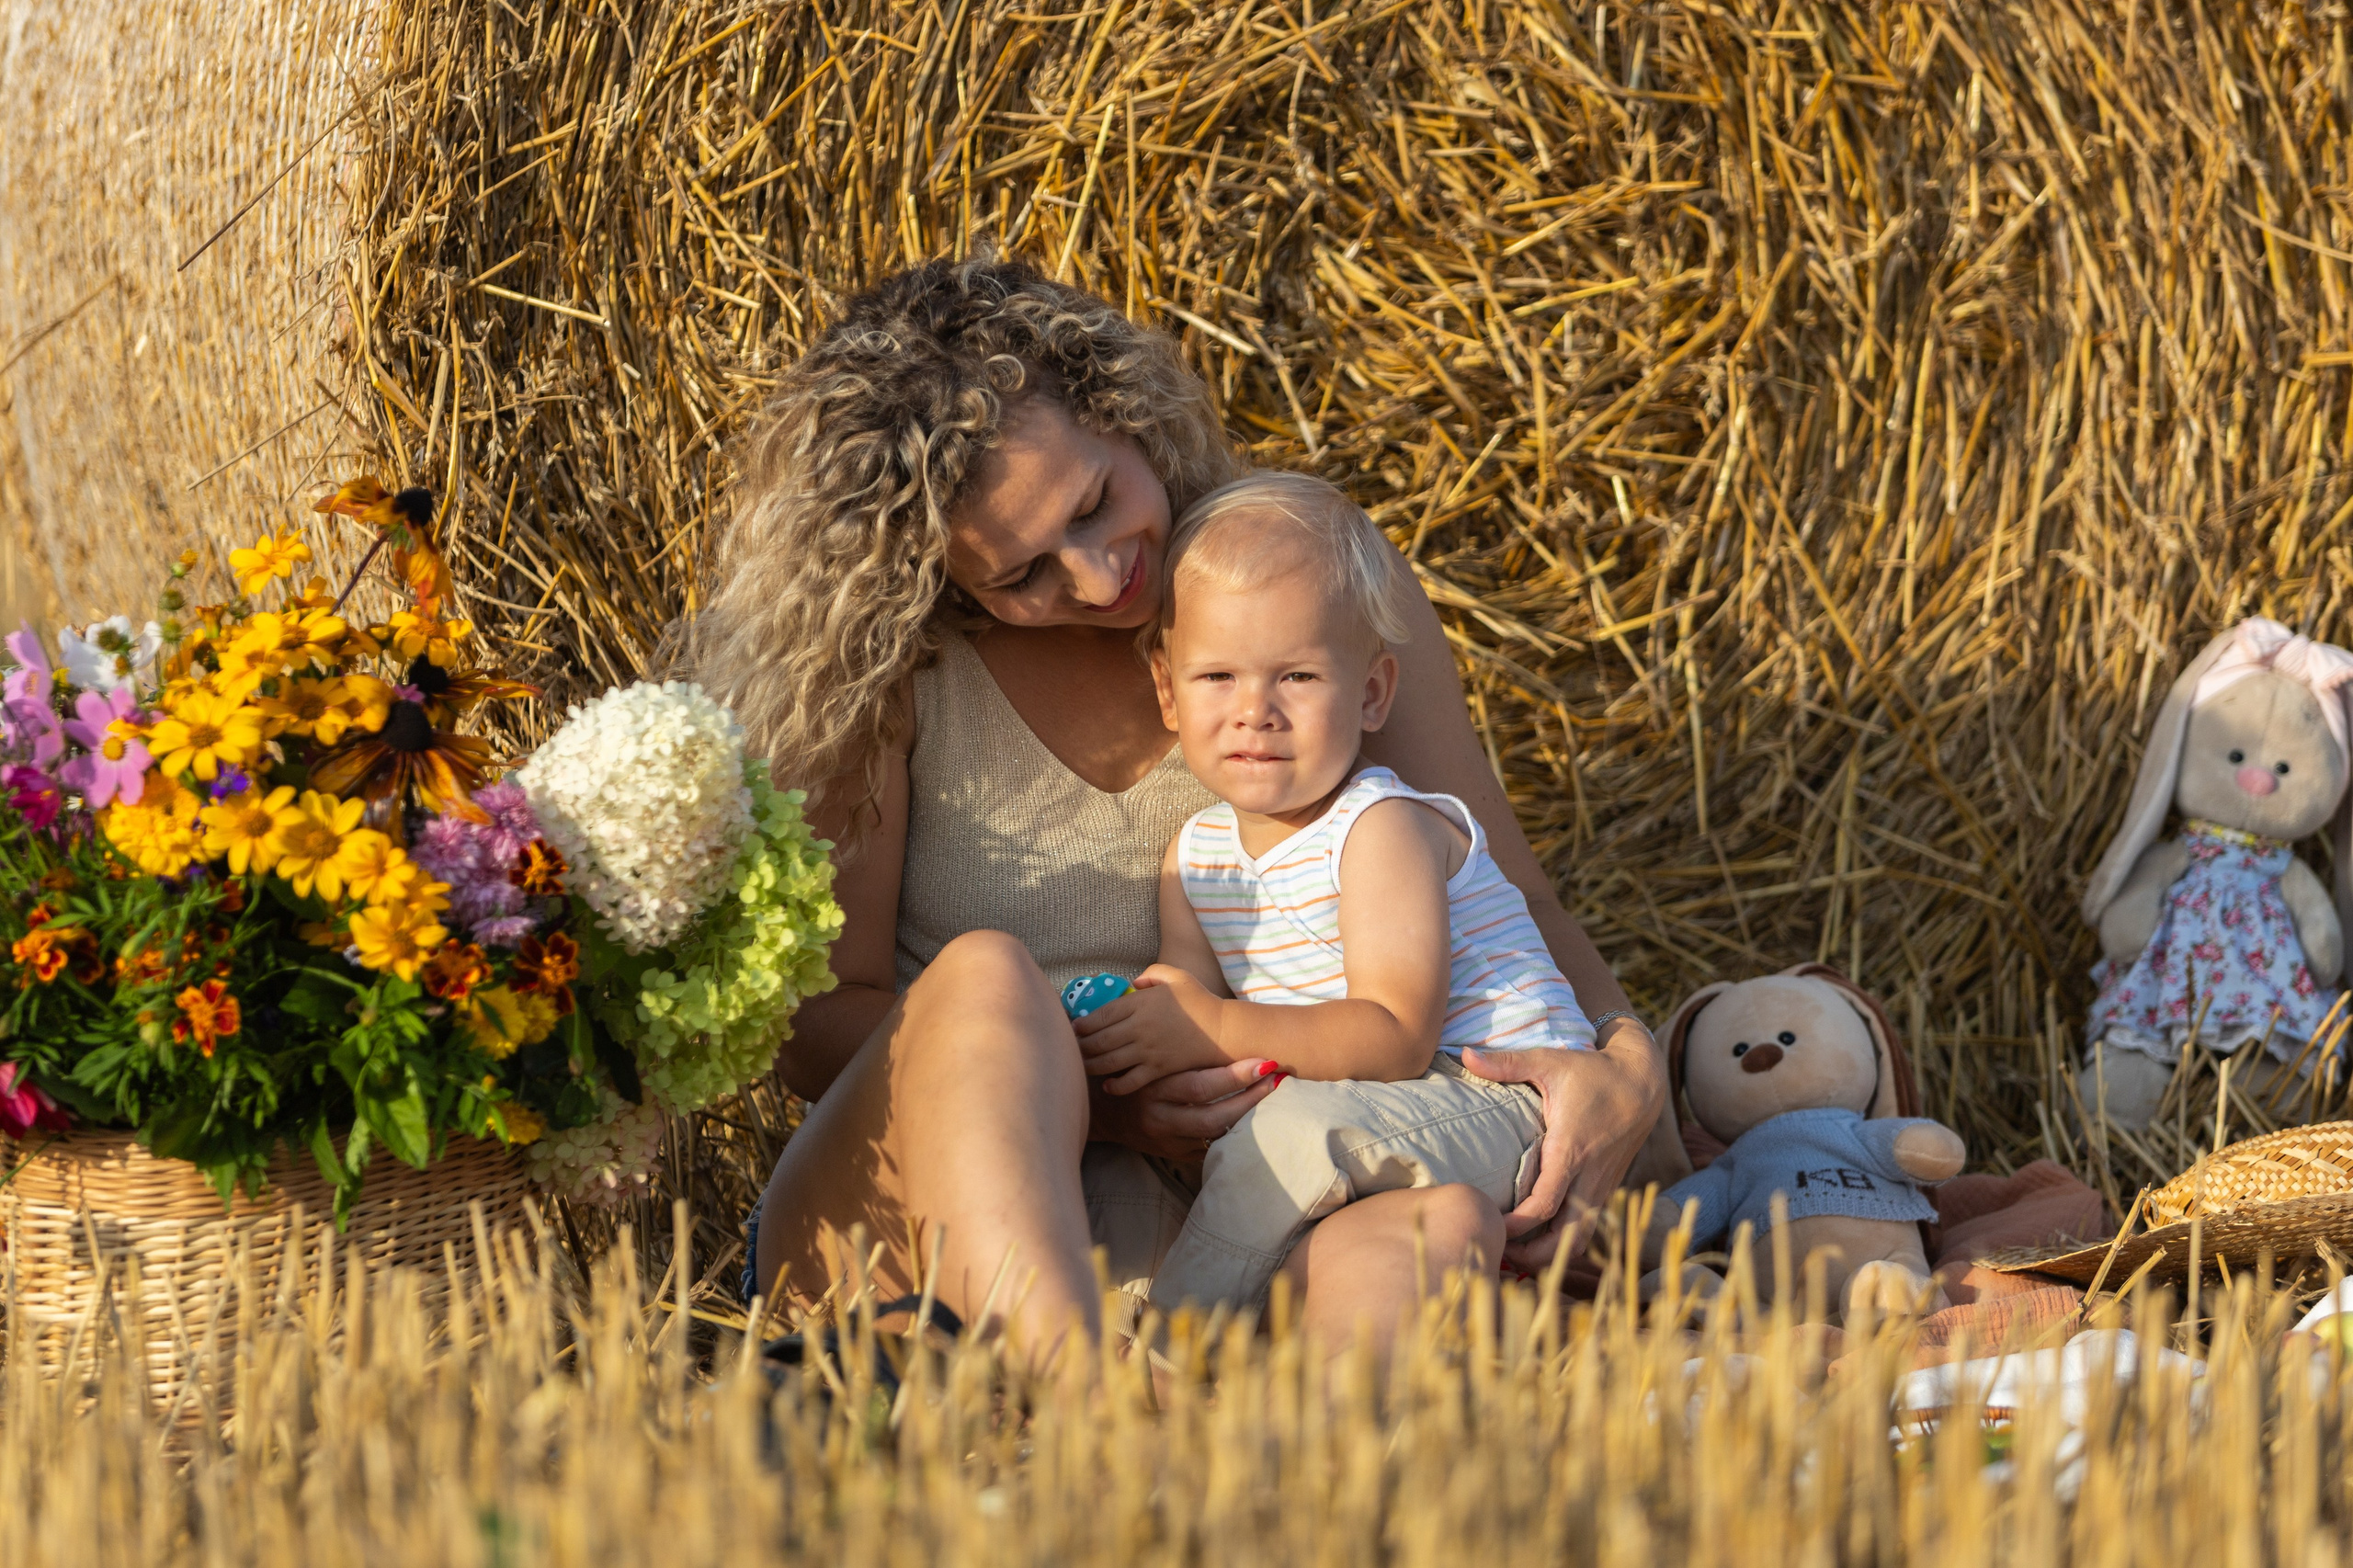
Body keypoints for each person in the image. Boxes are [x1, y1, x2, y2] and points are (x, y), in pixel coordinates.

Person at [682, 255, 1665, 1359]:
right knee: (988, 977)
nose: (1098, 577)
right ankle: (1083, 1394)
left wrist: (1627, 1066)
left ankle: (1252, 1420)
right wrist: (1094, 1091)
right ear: (943, 577)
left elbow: (1510, 898)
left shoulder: (1303, 591)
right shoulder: (878, 679)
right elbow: (817, 1024)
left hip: (1249, 1197)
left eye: (1095, 504)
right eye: (1022, 576)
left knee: (1422, 1232)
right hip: (934, 1221)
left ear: (1128, 415)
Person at [1074, 472, 1596, 1315]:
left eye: (1298, 677)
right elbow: (1185, 1000)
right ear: (1168, 691)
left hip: (1502, 1099)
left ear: (1372, 693)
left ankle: (1170, 1351)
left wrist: (1210, 1027)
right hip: (1382, 1111)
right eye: (1218, 677)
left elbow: (1395, 1037)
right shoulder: (1195, 855)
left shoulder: (1380, 827)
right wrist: (1132, 1033)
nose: (1255, 711)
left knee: (1289, 1137)